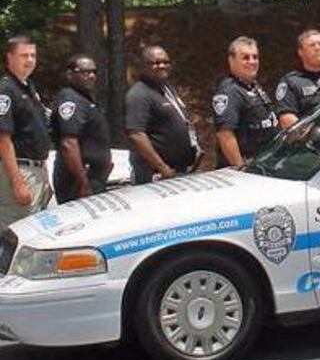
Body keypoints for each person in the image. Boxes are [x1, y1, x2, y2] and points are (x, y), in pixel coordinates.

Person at [125, 45, 198, 184]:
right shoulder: (139, 94)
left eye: (166, 62)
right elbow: (136, 135)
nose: (162, 65)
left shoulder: (166, 89)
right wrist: (162, 167)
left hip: (179, 170)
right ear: (144, 66)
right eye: (156, 63)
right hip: (156, 175)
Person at [0, 35, 52, 226]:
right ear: (10, 58)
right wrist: (17, 181)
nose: (29, 60)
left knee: (34, 229)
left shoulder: (27, 87)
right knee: (16, 229)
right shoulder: (6, 90)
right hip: (19, 171)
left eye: (33, 55)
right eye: (24, 55)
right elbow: (3, 139)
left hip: (36, 170)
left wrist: (44, 178)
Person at [50, 54, 111, 203]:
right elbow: (68, 144)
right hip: (77, 182)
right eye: (85, 72)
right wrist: (83, 182)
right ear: (70, 74)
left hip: (92, 177)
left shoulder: (85, 99)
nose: (91, 76)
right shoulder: (70, 100)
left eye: (94, 72)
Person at [213, 36, 280, 167]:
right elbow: (225, 134)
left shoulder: (254, 87)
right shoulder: (229, 91)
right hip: (244, 170)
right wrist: (241, 168)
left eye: (255, 57)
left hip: (262, 165)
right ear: (231, 60)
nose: (252, 61)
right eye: (245, 58)